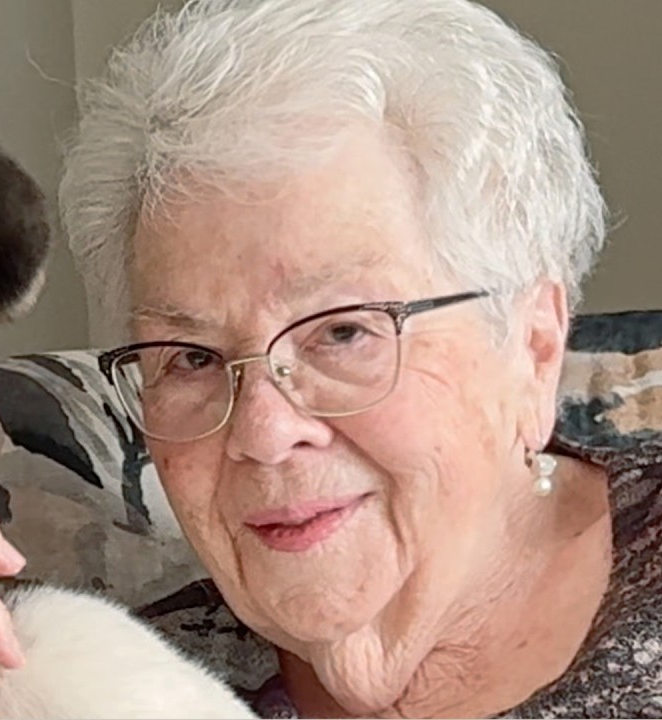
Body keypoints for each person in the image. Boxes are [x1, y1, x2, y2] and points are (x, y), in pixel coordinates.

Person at [53, 0, 662, 717]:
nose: (262, 432)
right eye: (191, 357)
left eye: (343, 332)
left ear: (532, 347)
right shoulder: (106, 688)